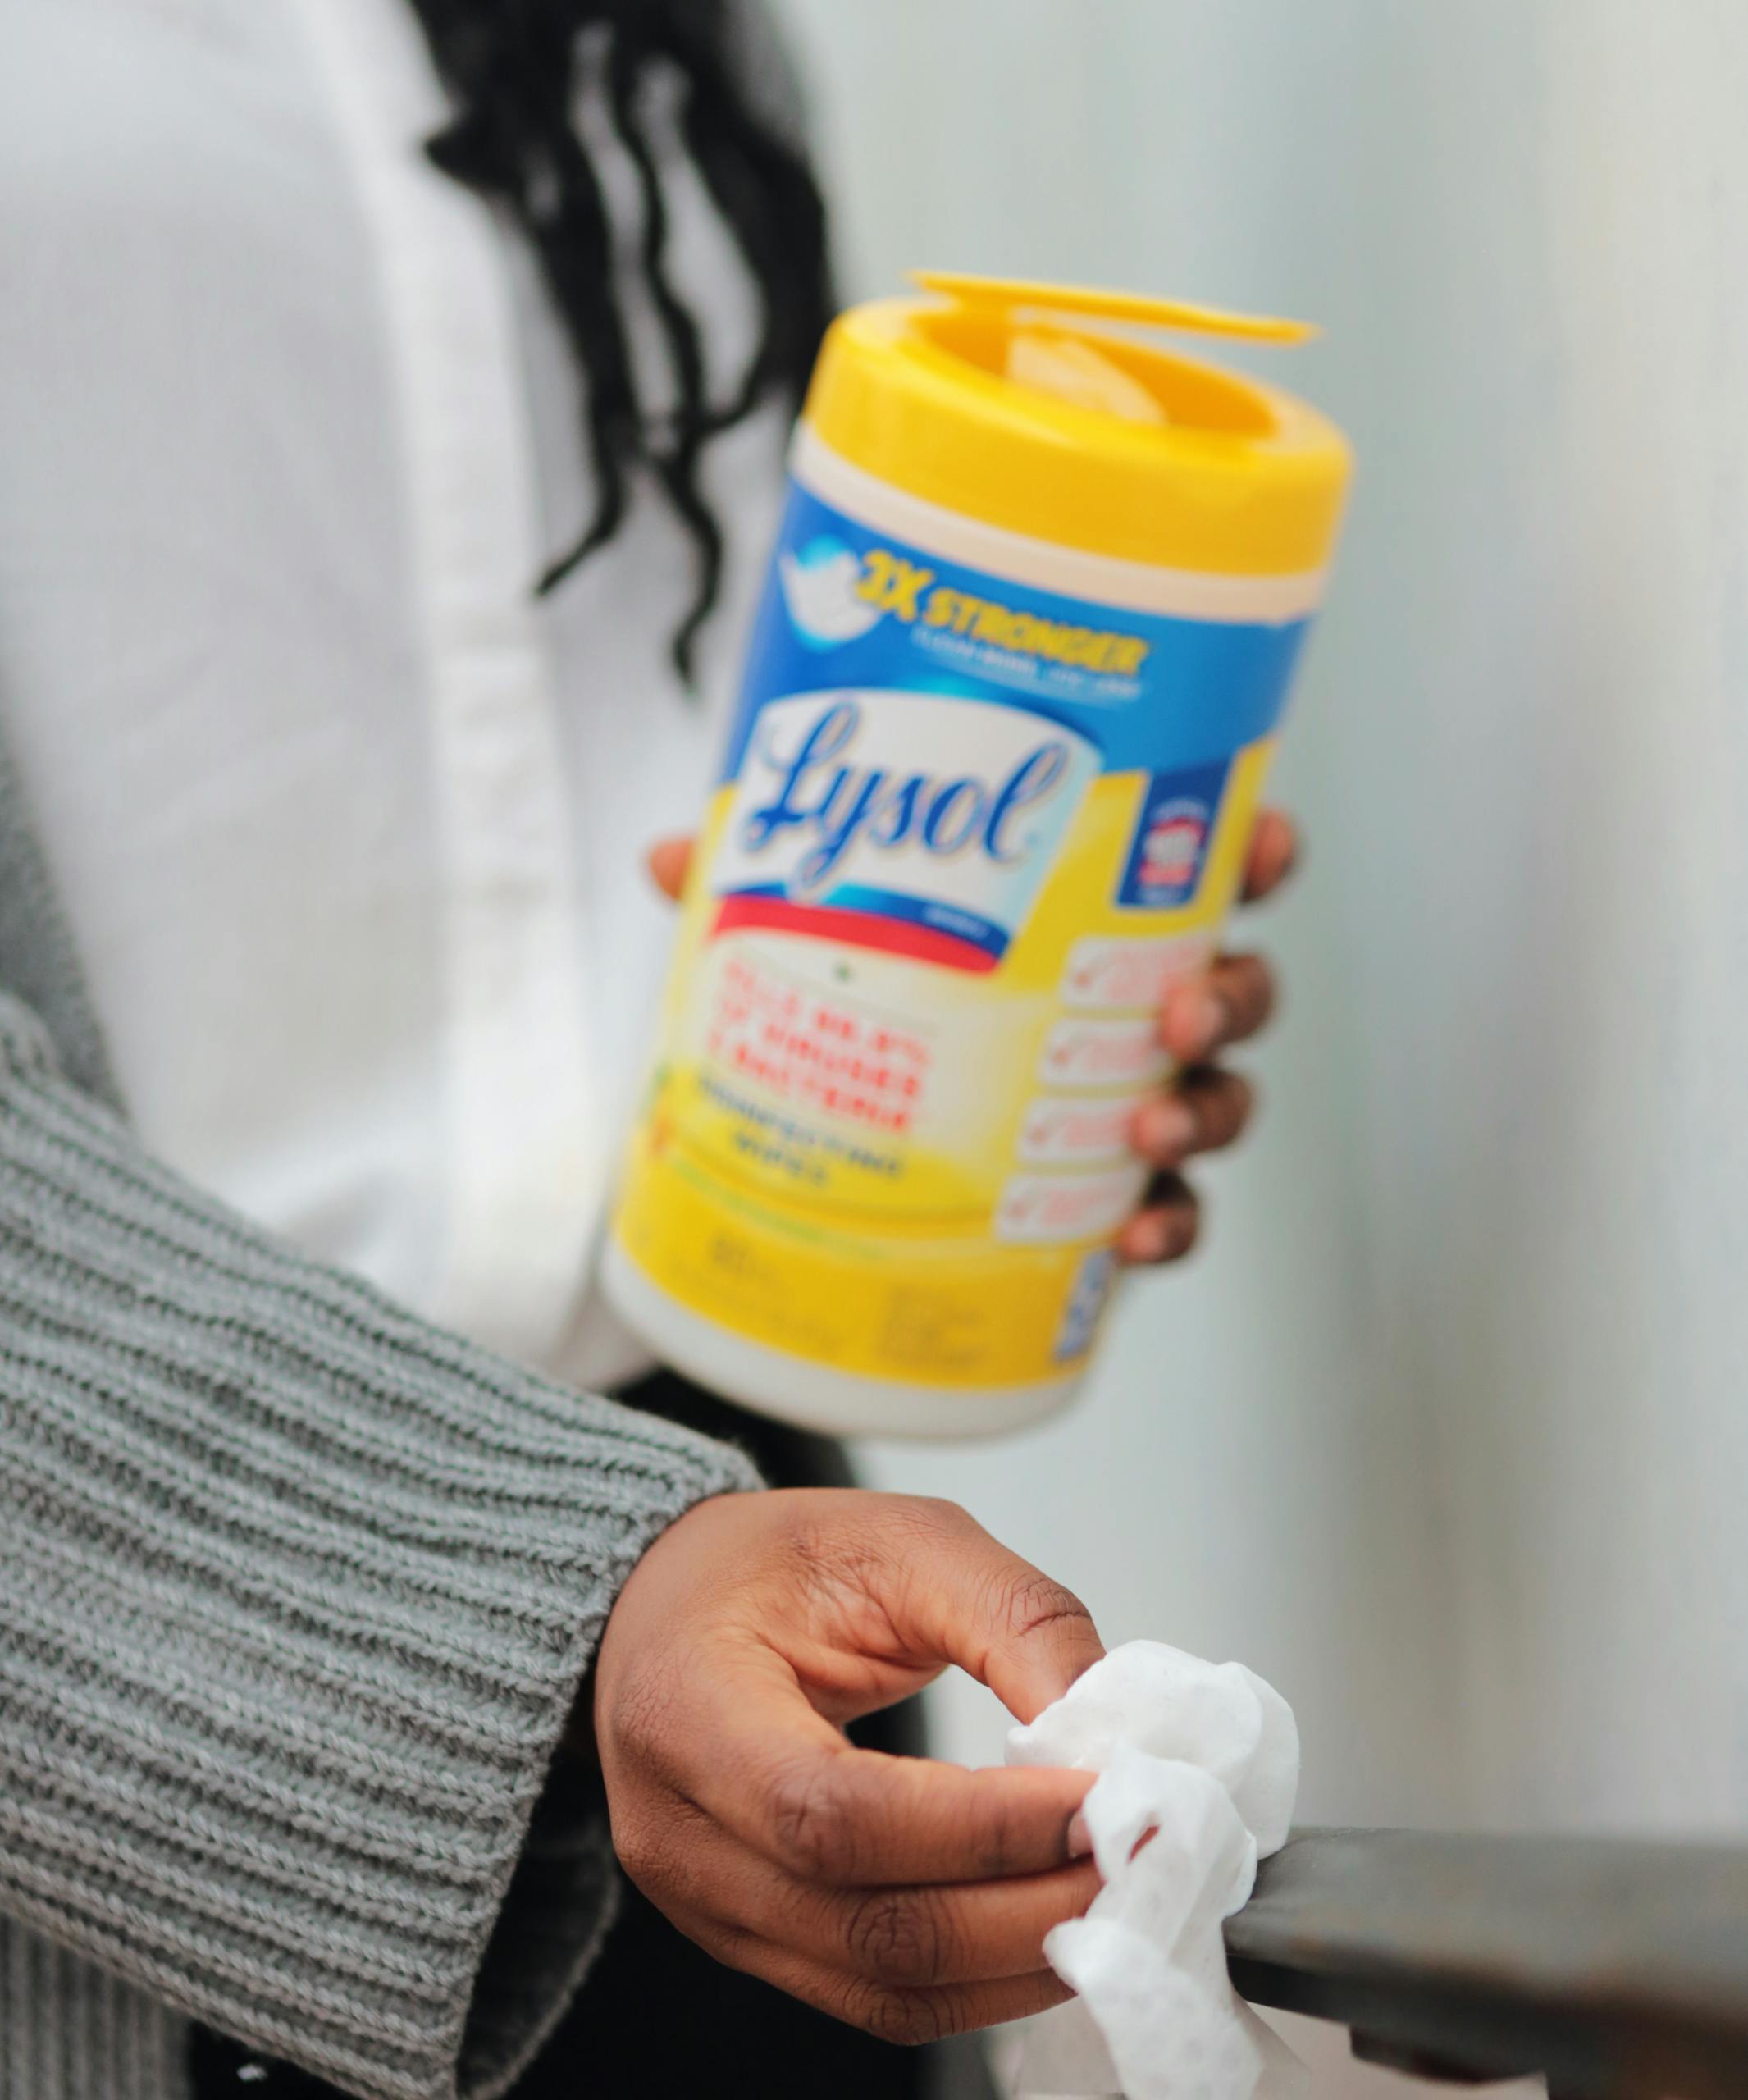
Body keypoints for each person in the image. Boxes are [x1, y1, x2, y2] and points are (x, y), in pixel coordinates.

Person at [0, 3, 1295, 2097]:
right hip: (153, 1710)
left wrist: (1004, 998)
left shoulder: (661, 43)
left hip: (727, 1605)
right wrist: (549, 1599)